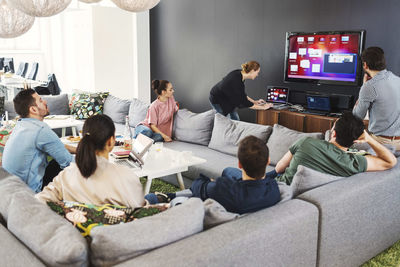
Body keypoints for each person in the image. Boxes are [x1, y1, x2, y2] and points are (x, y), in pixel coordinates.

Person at [146, 135, 281, 215]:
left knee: (191, 195)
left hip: (214, 198)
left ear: (240, 164)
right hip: (249, 188)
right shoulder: (274, 189)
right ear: (268, 161)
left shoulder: (223, 189)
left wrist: (212, 182)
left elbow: (198, 186)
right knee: (228, 171)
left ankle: (170, 197)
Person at [36, 114, 145, 208]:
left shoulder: (65, 176)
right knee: (152, 198)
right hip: (114, 229)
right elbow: (139, 210)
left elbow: (40, 200)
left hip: (78, 228)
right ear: (111, 141)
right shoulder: (126, 176)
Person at [272, 112, 397, 185]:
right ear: (356, 140)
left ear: (334, 134)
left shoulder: (306, 142)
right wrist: (369, 139)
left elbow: (279, 168)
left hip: (280, 186)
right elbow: (390, 161)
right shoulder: (354, 161)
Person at [3, 89, 75, 193]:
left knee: (57, 161)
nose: (45, 102)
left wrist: (80, 150)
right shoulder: (40, 130)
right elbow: (69, 163)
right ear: (33, 109)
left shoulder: (21, 125)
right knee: (72, 167)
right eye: (41, 100)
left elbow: (58, 147)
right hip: (29, 194)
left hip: (10, 191)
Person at [352, 47, 400, 150]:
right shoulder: (397, 80)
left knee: (345, 145)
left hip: (382, 142)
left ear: (365, 65)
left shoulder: (369, 86)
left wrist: (364, 87)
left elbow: (357, 117)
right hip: (399, 142)